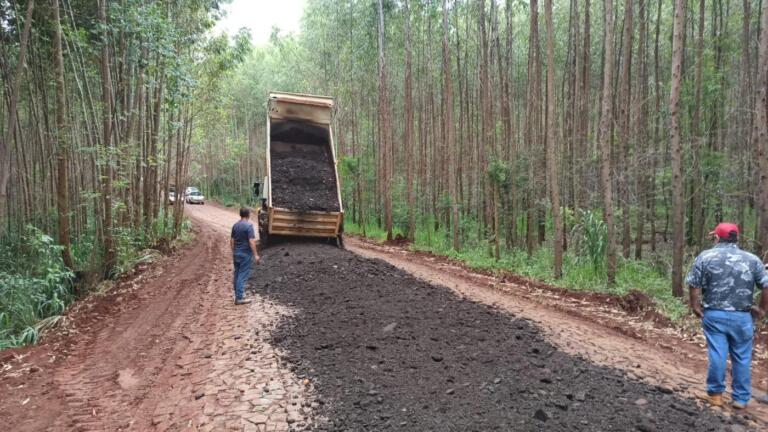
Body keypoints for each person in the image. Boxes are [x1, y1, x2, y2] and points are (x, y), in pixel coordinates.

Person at [686, 222, 768, 409]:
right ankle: (740, 399)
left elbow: (693, 284)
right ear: (736, 237)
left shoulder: (705, 257)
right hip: (742, 317)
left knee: (718, 353)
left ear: (717, 237)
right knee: (742, 357)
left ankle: (715, 395)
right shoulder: (752, 260)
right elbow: (766, 285)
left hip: (714, 315)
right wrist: (762, 310)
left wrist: (695, 306)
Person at [231, 207, 261, 305]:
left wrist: (234, 251)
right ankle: (239, 298)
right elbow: (251, 241)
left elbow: (232, 241)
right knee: (242, 275)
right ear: (248, 215)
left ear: (240, 214)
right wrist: (256, 255)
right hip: (245, 254)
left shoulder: (235, 226)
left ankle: (238, 294)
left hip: (236, 253)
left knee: (237, 273)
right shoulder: (249, 226)